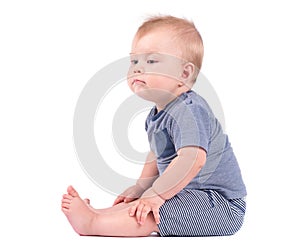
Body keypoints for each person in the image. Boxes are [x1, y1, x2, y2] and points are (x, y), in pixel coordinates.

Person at [61, 15, 247, 237]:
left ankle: (92, 224)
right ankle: (101, 215)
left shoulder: (189, 110)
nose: (138, 69)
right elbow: (156, 153)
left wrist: (156, 194)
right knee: (144, 201)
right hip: (189, 194)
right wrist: (142, 187)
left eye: (150, 61)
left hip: (220, 206)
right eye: (134, 61)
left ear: (184, 73)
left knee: (151, 210)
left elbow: (192, 159)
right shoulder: (157, 113)